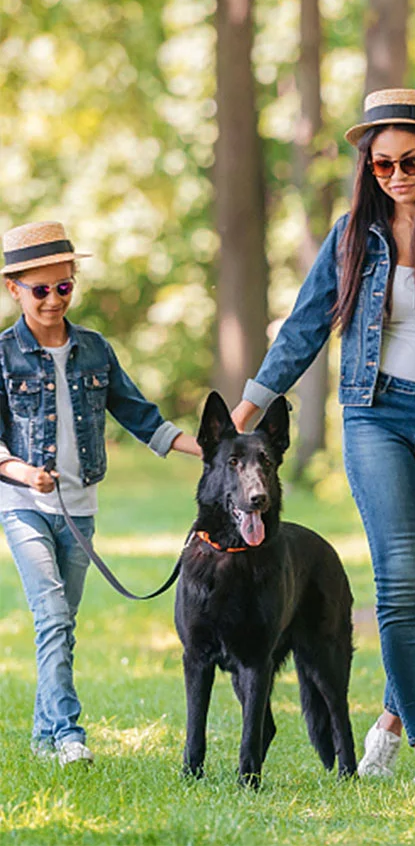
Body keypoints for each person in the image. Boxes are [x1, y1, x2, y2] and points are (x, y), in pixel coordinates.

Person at [231, 88, 415, 785]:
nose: (395, 176)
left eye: (409, 162)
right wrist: (252, 403)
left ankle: (390, 720)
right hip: (375, 415)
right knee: (395, 588)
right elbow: (304, 326)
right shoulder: (353, 233)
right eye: (382, 165)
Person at [0, 221, 202, 767]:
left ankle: (45, 737)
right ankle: (69, 735)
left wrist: (207, 448)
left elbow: (139, 416)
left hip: (79, 510)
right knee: (52, 616)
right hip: (22, 508)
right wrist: (22, 472)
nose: (52, 299)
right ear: (13, 289)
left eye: (63, 287)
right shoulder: (2, 356)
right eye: (39, 289)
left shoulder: (94, 350)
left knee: (64, 621)